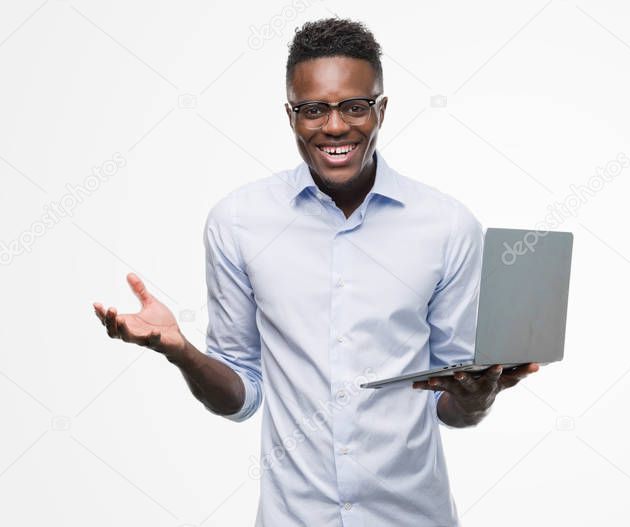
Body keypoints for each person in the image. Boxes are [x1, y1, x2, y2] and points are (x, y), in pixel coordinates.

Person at [91, 17, 538, 526]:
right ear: (290, 116)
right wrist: (181, 352)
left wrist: (477, 400)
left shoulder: (447, 225)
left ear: (381, 110)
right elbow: (240, 396)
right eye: (312, 109)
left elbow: (451, 400)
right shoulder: (238, 223)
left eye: (354, 106)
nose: (334, 126)